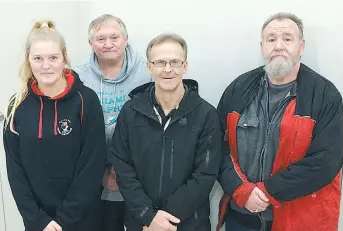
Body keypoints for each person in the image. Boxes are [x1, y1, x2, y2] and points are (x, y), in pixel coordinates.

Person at [216, 12, 343, 231]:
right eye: (271, 39)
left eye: (287, 38)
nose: (278, 46)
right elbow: (215, 146)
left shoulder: (324, 95)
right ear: (262, 47)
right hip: (242, 216)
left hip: (297, 220)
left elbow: (326, 162)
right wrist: (241, 190)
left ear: (301, 47)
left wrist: (268, 191)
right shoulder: (239, 89)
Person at [109, 33, 222, 231]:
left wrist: (164, 221)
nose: (168, 69)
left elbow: (205, 175)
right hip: (141, 222)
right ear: (149, 67)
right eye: (160, 62)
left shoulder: (206, 115)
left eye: (175, 62)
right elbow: (123, 168)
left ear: (185, 66)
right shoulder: (131, 111)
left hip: (188, 224)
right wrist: (148, 216)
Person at [3, 20, 106, 231]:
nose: (46, 65)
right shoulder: (17, 106)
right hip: (38, 223)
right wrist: (38, 221)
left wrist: (64, 220)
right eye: (38, 58)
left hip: (82, 219)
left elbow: (93, 165)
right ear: (28, 60)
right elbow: (15, 173)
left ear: (64, 58)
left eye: (53, 58)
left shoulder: (86, 100)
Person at [74, 14, 152, 231]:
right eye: (100, 39)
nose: (108, 44)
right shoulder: (77, 77)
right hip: (95, 175)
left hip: (141, 176)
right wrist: (103, 170)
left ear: (126, 38)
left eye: (114, 37)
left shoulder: (147, 72)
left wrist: (123, 171)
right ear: (90, 43)